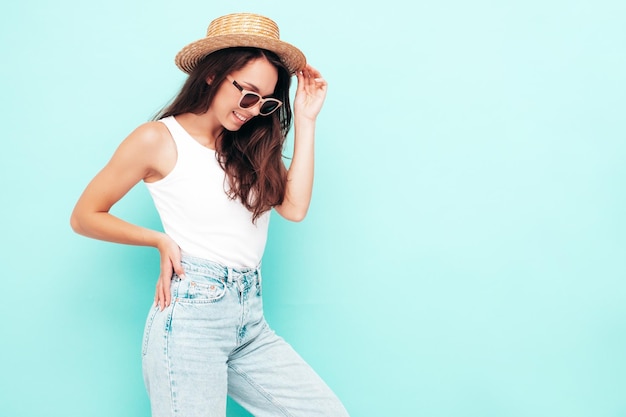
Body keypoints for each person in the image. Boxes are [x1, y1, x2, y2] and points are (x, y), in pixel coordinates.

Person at [70, 12, 349, 417]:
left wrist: (305, 120)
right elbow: (85, 215)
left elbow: (295, 208)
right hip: (190, 319)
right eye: (247, 93)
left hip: (249, 318)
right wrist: (159, 239)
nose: (252, 110)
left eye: (265, 102)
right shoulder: (158, 139)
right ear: (212, 76)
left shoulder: (249, 147)